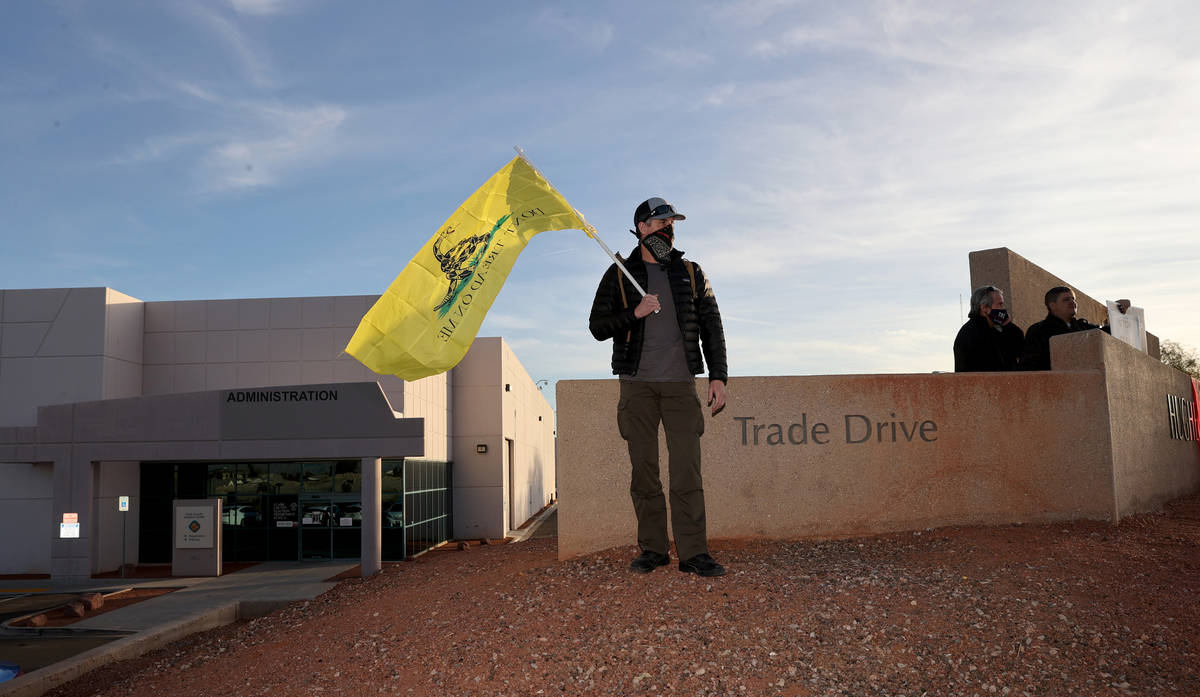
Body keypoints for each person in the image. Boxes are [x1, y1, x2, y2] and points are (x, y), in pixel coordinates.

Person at [588, 196, 729, 578]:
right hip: (637, 387)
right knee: (644, 472)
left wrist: (718, 375)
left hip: (681, 386)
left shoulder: (691, 272)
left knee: (687, 473)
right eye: (662, 222)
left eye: (672, 223)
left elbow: (712, 327)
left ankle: (693, 553)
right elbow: (597, 327)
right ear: (643, 228)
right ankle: (653, 549)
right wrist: (634, 313)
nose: (669, 228)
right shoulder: (618, 274)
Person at [1021, 286, 1131, 370]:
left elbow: (1111, 335)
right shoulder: (1038, 331)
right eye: (1066, 299)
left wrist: (1120, 314)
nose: (1072, 302)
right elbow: (1029, 367)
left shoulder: (1084, 327)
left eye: (1073, 299)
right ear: (1052, 305)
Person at [953, 285, 1024, 372]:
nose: (1003, 308)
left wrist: (1008, 325)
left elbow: (1019, 349)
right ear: (984, 308)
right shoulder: (973, 334)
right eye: (1000, 304)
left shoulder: (992, 330)